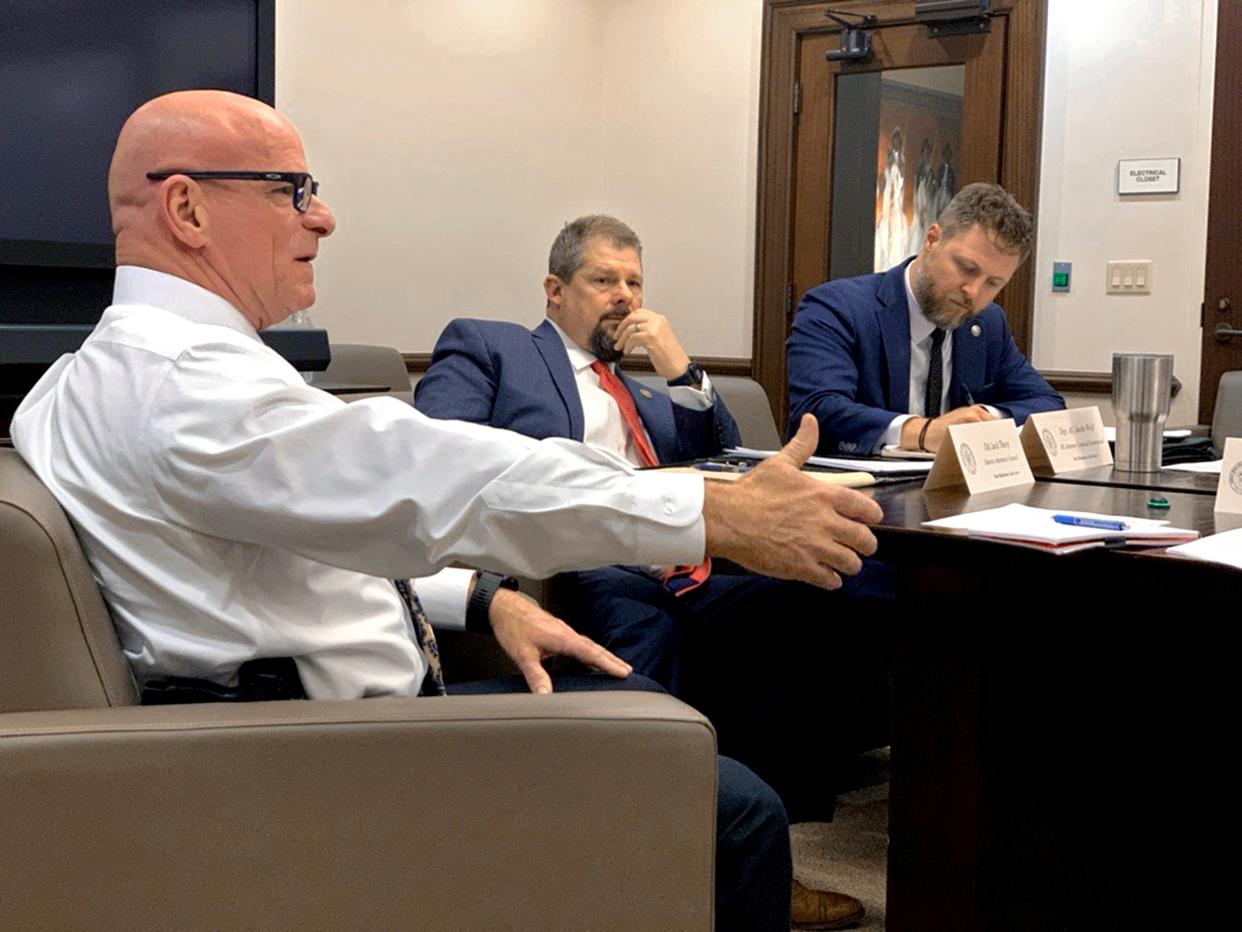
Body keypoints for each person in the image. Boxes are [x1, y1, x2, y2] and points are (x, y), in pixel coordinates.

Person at [10, 90, 883, 930]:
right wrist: (711, 511)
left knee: (649, 698)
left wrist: (479, 600)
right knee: (733, 808)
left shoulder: (92, 375)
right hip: (326, 760)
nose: (323, 218)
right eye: (294, 191)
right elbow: (434, 472)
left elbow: (252, 556)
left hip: (323, 716)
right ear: (188, 209)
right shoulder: (186, 388)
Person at [416, 214, 892, 929]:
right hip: (575, 565)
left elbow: (730, 463)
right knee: (635, 617)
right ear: (554, 290)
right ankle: (642, 859)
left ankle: (770, 847)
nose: (624, 297)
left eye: (634, 282)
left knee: (817, 599)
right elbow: (439, 454)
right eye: (603, 279)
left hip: (682, 567)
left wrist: (683, 372)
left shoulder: (641, 393)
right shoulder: (494, 347)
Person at [788, 182, 1064, 457]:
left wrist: (983, 418)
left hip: (954, 491)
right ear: (932, 240)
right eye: (967, 268)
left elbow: (1049, 404)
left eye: (993, 283)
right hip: (854, 491)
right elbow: (818, 411)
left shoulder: (988, 323)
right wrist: (922, 432)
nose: (973, 291)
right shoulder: (837, 307)